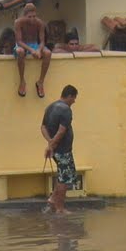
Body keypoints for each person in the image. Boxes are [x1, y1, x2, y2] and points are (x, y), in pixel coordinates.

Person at [40, 84, 79, 213]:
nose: (74, 101)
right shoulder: (66, 110)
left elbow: (43, 127)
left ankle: (52, 199)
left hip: (57, 150)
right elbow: (62, 131)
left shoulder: (50, 107)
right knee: (64, 180)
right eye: (74, 98)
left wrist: (50, 143)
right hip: (63, 151)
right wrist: (52, 144)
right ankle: (60, 208)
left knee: (62, 176)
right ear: (69, 96)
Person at [12, 2, 52, 98]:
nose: (32, 19)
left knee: (48, 53)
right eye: (29, 17)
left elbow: (42, 41)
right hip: (22, 45)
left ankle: (40, 82)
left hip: (34, 45)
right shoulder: (18, 23)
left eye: (34, 16)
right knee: (20, 52)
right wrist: (31, 50)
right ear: (25, 16)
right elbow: (19, 41)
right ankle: (22, 81)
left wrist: (38, 50)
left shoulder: (40, 23)